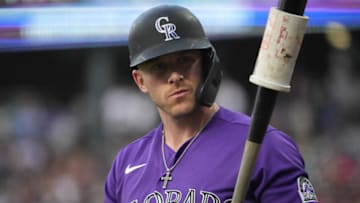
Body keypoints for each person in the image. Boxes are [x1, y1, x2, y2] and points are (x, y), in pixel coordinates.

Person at [104, 5, 318, 203]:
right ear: (140, 81)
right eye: (159, 67)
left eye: (185, 60)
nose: (175, 75)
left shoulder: (267, 147)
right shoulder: (126, 163)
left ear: (207, 64)